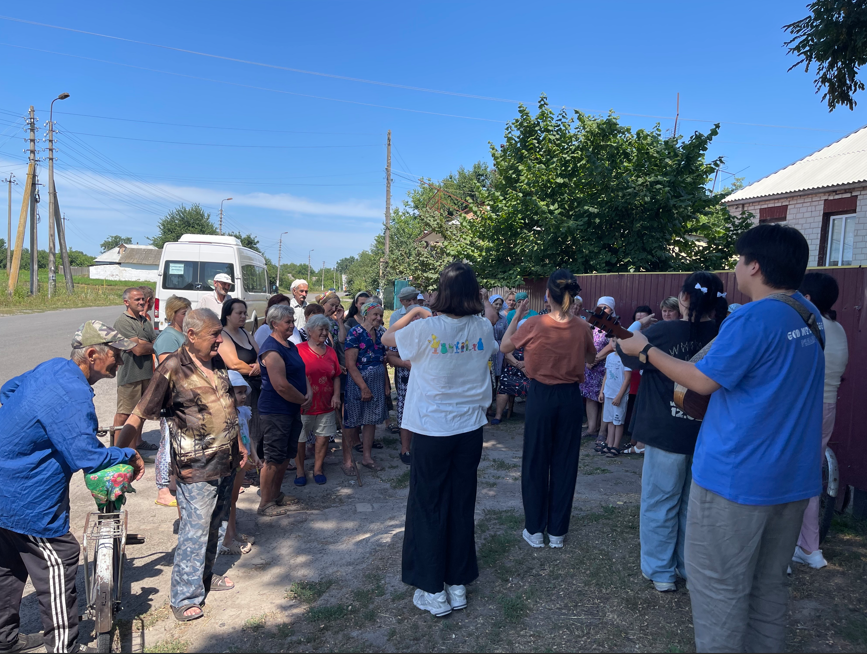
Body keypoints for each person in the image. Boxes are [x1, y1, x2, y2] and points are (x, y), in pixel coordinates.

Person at [617, 224, 824, 652]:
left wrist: (645, 350)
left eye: (738, 259)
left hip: (738, 479)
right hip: (792, 478)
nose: (735, 267)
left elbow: (701, 380)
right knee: (768, 585)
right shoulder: (808, 314)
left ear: (755, 266)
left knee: (717, 588)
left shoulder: (754, 317)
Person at [0, 321, 144, 654]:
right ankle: (64, 648)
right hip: (25, 496)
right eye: (117, 354)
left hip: (6, 484)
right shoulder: (74, 394)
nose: (121, 361)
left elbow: (7, 391)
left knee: (8, 561)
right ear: (92, 354)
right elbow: (85, 456)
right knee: (59, 557)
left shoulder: (53, 367)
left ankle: (4, 639)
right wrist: (127, 454)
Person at [382, 262, 499, 618]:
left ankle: (433, 589)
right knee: (461, 503)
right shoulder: (482, 326)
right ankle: (457, 583)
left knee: (428, 504)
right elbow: (491, 329)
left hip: (433, 429)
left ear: (441, 293)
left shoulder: (426, 327)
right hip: (470, 429)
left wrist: (416, 311)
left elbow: (387, 339)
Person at [118, 309, 247, 622]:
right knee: (195, 530)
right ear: (191, 335)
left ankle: (204, 578)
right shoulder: (172, 367)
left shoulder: (216, 361)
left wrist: (241, 445)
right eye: (214, 334)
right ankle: (184, 597)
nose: (220, 340)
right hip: (196, 467)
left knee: (216, 525)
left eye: (220, 333)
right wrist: (119, 453)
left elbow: (228, 405)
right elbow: (139, 413)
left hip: (226, 460)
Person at [617, 273, 725, 593]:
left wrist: (639, 326)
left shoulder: (663, 332)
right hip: (706, 434)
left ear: (684, 298)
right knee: (693, 507)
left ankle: (661, 571)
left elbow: (625, 352)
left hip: (664, 430)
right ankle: (687, 566)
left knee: (659, 501)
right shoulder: (724, 334)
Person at [501, 269, 596, 551]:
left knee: (536, 460)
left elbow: (505, 346)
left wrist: (516, 317)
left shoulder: (535, 323)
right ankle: (557, 531)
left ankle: (534, 529)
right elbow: (591, 358)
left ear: (547, 295)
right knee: (565, 461)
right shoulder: (582, 327)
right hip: (570, 397)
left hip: (541, 395)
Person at [793, 272, 849, 569]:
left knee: (787, 475)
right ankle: (809, 546)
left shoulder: (808, 327)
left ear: (808, 298)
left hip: (805, 406)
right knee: (810, 476)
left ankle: (786, 547)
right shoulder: (838, 328)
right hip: (828, 406)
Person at [257, 304, 311, 516]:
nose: (292, 325)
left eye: (292, 321)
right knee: (273, 457)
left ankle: (275, 494)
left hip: (292, 408)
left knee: (286, 454)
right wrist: (303, 400)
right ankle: (265, 503)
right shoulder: (271, 349)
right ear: (274, 323)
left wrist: (308, 392)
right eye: (287, 322)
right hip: (276, 410)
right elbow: (280, 385)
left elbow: (301, 372)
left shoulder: (290, 346)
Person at [153, 295, 192, 508]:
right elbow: (168, 370)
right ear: (173, 313)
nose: (187, 316)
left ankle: (174, 482)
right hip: (171, 398)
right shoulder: (168, 337)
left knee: (178, 443)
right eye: (184, 313)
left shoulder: (182, 334)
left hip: (182, 397)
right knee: (167, 443)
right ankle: (162, 489)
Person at [296, 314, 342, 485]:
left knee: (322, 438)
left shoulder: (330, 351)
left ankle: (318, 469)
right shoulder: (298, 350)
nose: (324, 333)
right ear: (309, 331)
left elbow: (336, 375)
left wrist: (336, 395)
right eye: (320, 329)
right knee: (300, 439)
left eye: (326, 329)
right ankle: (300, 471)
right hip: (304, 404)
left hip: (326, 403)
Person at [343, 301, 389, 471]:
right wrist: (364, 387)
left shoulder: (380, 333)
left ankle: (367, 458)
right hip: (358, 384)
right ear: (365, 315)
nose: (378, 318)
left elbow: (383, 361)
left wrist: (386, 385)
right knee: (352, 422)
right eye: (375, 314)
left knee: (371, 420)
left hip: (376, 383)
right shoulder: (355, 333)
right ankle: (347, 461)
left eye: (381, 315)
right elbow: (350, 364)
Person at [112, 286, 157, 450]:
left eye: (142, 299)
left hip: (146, 373)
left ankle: (137, 443)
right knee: (124, 413)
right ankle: (117, 449)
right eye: (137, 299)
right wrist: (146, 345)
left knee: (141, 412)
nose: (141, 302)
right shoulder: (123, 322)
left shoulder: (145, 321)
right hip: (130, 375)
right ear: (126, 302)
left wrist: (144, 344)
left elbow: (156, 343)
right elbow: (137, 350)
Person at [386, 306, 431, 464]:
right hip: (406, 378)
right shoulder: (402, 333)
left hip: (428, 380)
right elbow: (390, 356)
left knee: (426, 411)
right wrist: (406, 364)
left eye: (420, 316)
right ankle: (405, 449)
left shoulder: (431, 333)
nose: (417, 319)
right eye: (414, 316)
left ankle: (425, 446)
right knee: (406, 411)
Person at [221, 372, 257, 555]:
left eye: (244, 392)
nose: (243, 396)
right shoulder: (224, 415)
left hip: (243, 460)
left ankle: (233, 533)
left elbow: (247, 435)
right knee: (227, 500)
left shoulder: (243, 412)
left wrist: (254, 455)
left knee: (233, 499)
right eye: (239, 392)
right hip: (232, 461)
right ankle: (226, 539)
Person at [580, 296, 615, 445]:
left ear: (611, 310)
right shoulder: (591, 323)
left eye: (605, 307)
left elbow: (613, 345)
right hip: (589, 367)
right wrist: (588, 360)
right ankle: (591, 428)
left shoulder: (614, 324)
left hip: (604, 367)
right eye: (600, 307)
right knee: (590, 397)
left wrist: (596, 359)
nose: (602, 310)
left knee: (604, 398)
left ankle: (602, 432)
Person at [490, 322, 531, 425]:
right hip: (512, 371)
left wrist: (525, 364)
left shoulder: (535, 341)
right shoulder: (514, 340)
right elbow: (508, 356)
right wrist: (519, 365)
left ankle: (531, 416)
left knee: (531, 386)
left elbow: (538, 357)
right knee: (504, 384)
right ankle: (498, 415)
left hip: (529, 372)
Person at [596, 348, 631, 457]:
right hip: (608, 393)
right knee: (610, 420)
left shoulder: (626, 358)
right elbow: (606, 375)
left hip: (618, 395)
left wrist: (619, 396)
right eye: (614, 341)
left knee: (618, 421)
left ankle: (616, 446)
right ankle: (609, 444)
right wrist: (602, 392)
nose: (616, 344)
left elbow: (627, 379)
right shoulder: (610, 356)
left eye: (618, 342)